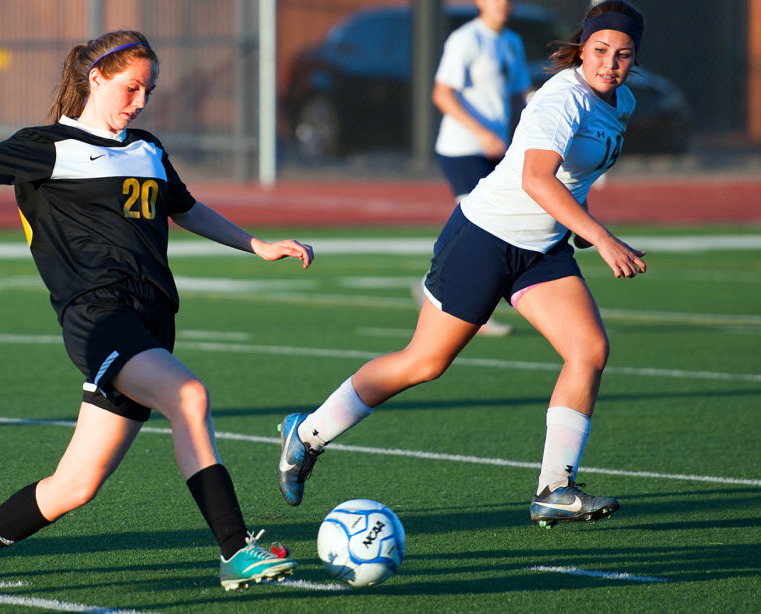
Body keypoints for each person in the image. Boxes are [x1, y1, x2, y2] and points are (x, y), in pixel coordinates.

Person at [0, 30, 313, 591]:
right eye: (131, 87)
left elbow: (186, 210)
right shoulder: (47, 147)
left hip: (150, 321)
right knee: (188, 396)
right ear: (95, 78)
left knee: (75, 486)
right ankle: (236, 550)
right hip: (97, 317)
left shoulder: (147, 148)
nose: (140, 101)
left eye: (149, 90)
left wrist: (258, 245)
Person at [277, 1, 646, 530]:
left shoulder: (622, 101)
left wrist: (581, 226)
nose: (609, 63)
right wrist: (602, 238)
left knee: (588, 349)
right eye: (600, 50)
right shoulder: (562, 97)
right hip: (483, 239)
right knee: (424, 363)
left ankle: (554, 488)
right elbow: (536, 179)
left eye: (622, 55)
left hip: (540, 250)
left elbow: (571, 182)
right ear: (582, 48)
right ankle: (307, 433)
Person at [425, 0, 533, 338]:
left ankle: (434, 283)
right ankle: (471, 308)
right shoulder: (466, 39)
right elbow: (442, 94)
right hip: (463, 148)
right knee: (482, 226)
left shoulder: (512, 42)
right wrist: (481, 131)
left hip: (497, 149)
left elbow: (519, 95)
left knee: (500, 222)